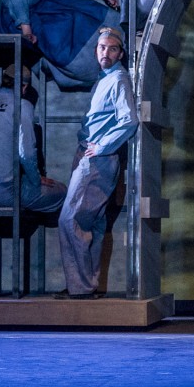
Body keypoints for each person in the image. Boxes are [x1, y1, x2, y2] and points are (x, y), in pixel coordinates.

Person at [56, 27, 138, 299]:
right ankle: (87, 285)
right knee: (93, 222)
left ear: (120, 54)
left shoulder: (118, 79)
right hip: (90, 155)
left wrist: (101, 147)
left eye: (112, 49)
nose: (106, 52)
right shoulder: (104, 78)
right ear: (96, 51)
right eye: (102, 47)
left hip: (97, 159)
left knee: (70, 219)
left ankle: (81, 287)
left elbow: (129, 120)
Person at [0, 64, 65, 212]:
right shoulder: (22, 105)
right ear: (24, 87)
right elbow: (26, 153)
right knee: (60, 191)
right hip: (0, 192)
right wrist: (36, 180)